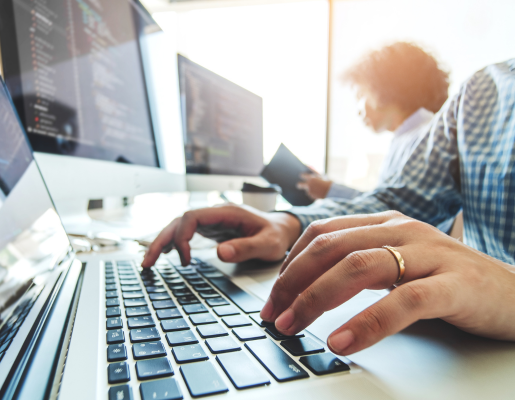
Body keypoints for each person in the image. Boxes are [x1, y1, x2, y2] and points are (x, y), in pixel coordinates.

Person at [142, 59, 515, 356]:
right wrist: (287, 223)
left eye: (362, 95)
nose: (357, 109)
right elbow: (399, 202)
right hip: (467, 348)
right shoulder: (484, 91)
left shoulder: (419, 129)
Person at [297, 42, 449, 201]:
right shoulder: (410, 137)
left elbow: (393, 210)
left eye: (361, 96)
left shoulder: (422, 140)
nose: (358, 110)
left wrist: (332, 191)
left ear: (384, 89)